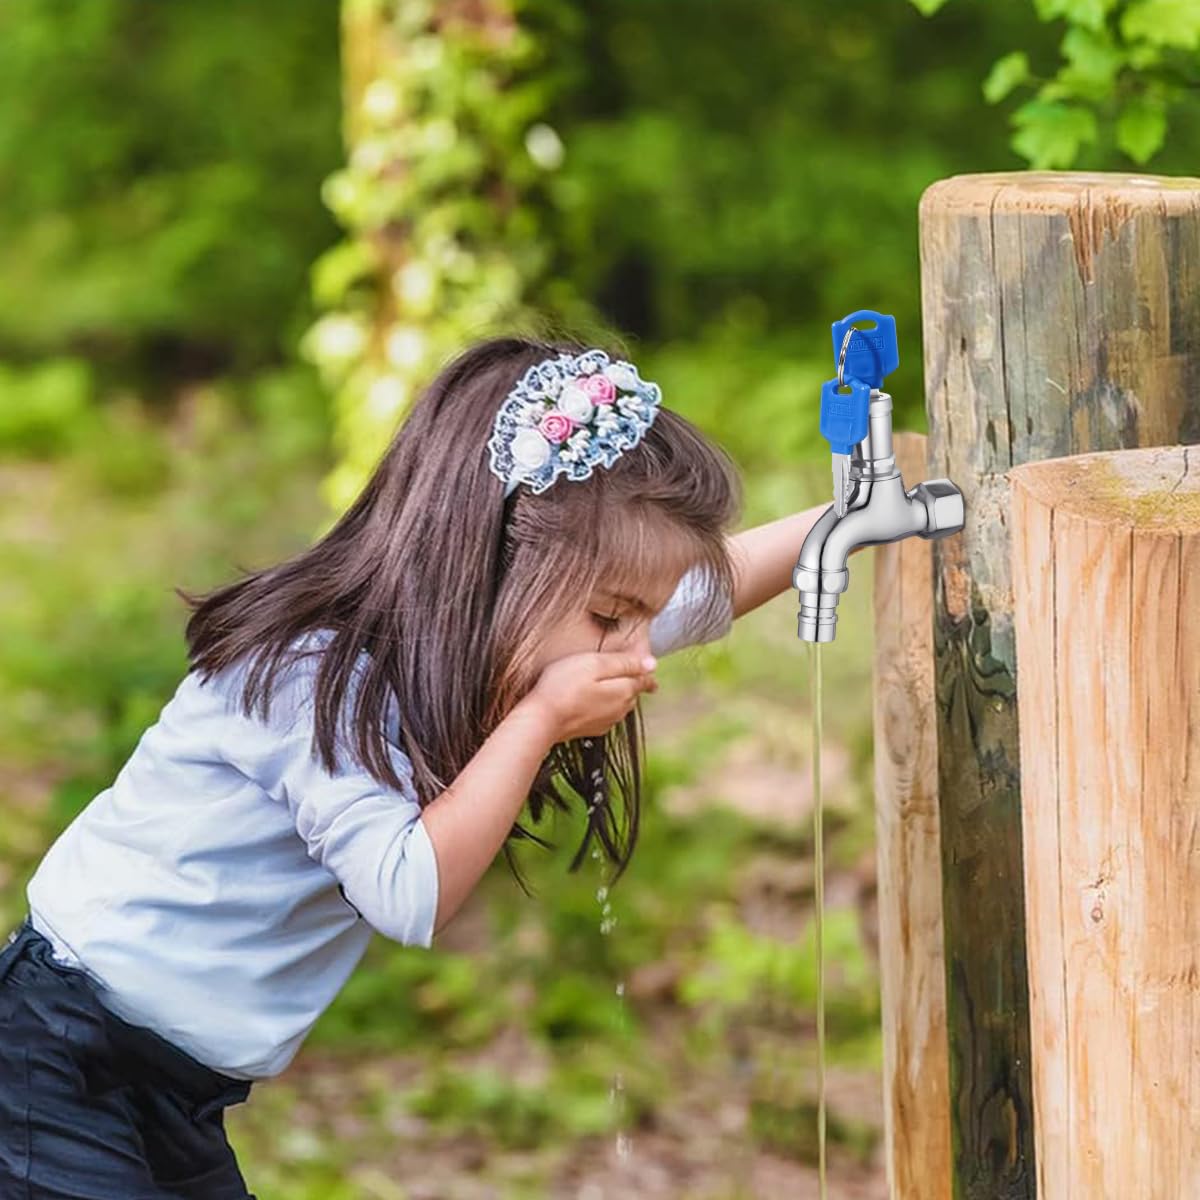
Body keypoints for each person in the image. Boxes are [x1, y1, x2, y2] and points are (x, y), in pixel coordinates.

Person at [0, 333, 830, 1198]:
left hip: (176, 1089)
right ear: (495, 561)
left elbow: (701, 593)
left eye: (641, 620)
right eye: (613, 618)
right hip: (58, 1051)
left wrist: (840, 519)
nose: (637, 654)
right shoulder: (306, 676)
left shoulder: (500, 632)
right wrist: (542, 719)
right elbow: (409, 893)